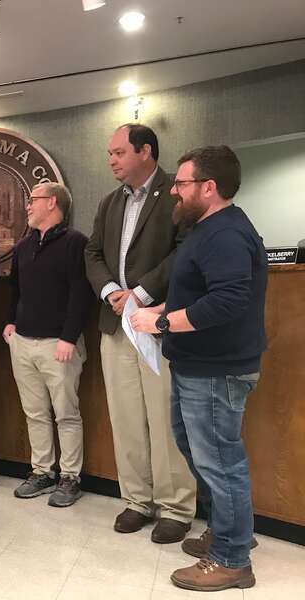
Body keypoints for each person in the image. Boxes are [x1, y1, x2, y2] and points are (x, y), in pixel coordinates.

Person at [130, 146, 266, 592]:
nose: (174, 190)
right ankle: (229, 531)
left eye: (182, 184)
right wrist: (160, 313)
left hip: (216, 370)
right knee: (200, 452)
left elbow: (228, 300)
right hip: (197, 365)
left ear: (209, 188)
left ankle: (231, 558)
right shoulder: (207, 230)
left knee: (221, 462)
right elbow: (202, 296)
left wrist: (163, 321)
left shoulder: (225, 233)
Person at [84, 124, 196, 543]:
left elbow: (185, 248)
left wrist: (143, 291)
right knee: (126, 417)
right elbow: (92, 252)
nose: (111, 160)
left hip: (159, 323)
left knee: (165, 418)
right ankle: (136, 500)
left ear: (145, 151)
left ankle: (176, 507)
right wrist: (112, 290)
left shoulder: (175, 193)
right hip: (116, 325)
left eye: (118, 152)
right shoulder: (109, 201)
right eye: (109, 153)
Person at [4, 183, 92, 507]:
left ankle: (70, 477)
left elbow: (80, 294)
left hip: (60, 343)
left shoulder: (75, 243)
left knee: (66, 414)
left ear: (52, 202)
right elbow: (14, 290)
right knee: (35, 413)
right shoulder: (23, 247)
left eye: (32, 200)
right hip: (23, 342)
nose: (27, 206)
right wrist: (10, 323)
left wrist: (69, 336)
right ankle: (42, 471)